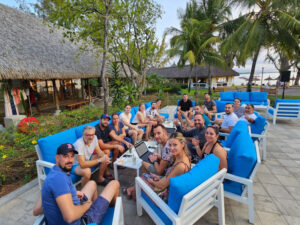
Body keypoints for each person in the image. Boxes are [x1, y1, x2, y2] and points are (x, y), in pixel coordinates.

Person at [32, 143, 120, 225]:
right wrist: (86, 206)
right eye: (65, 156)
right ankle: (109, 212)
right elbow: (69, 217)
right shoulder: (59, 179)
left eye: (72, 156)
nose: (70, 160)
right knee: (114, 183)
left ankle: (96, 211)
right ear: (57, 158)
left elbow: (36, 211)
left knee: (92, 183)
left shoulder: (53, 174)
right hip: (81, 221)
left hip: (71, 209)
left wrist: (70, 194)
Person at [125, 132, 191, 201]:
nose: (171, 148)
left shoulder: (181, 166)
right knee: (144, 176)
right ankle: (133, 192)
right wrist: (159, 177)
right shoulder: (181, 156)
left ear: (182, 144)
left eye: (175, 145)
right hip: (168, 184)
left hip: (166, 194)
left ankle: (136, 196)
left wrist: (151, 181)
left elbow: (162, 185)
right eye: (170, 145)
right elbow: (171, 177)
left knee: (139, 184)